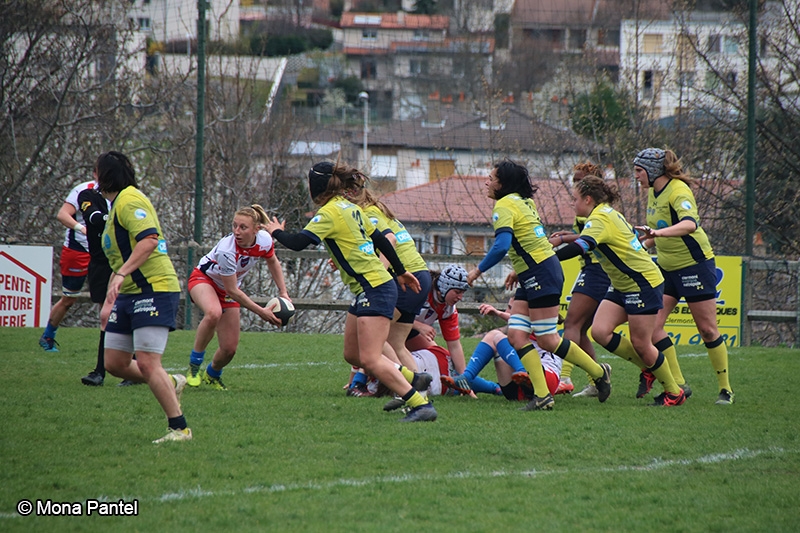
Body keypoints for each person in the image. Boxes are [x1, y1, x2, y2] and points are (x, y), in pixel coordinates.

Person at [265, 161, 436, 422]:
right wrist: (400, 271)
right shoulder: (350, 207)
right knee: (352, 354)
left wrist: (276, 231)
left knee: (370, 358)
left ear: (314, 187)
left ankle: (419, 405)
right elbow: (380, 240)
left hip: (375, 287)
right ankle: (413, 377)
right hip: (371, 287)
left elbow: (298, 243)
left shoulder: (329, 213)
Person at [466, 159, 612, 411]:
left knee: (547, 340)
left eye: (491, 178)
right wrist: (519, 270)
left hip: (541, 273)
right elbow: (532, 241)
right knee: (516, 336)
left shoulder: (504, 205)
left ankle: (599, 373)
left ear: (503, 184)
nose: (486, 182)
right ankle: (543, 396)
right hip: (534, 272)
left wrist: (477, 271)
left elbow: (501, 246)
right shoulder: (524, 201)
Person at [555, 175, 686, 406]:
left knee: (642, 344)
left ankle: (674, 392)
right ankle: (649, 368)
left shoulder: (599, 218)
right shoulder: (605, 213)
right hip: (622, 284)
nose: (572, 203)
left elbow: (582, 246)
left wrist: (548, 258)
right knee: (600, 331)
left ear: (588, 199)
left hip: (642, 283)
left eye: (575, 199)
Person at [96, 151, 191, 442]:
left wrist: (122, 274)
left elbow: (149, 240)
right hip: (129, 294)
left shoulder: (129, 199)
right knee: (115, 363)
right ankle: (169, 381)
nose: (93, 177)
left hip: (155, 289)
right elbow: (120, 261)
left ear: (105, 175)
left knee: (148, 363)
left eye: (96, 171)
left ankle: (180, 429)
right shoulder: (115, 206)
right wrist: (110, 300)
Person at [633, 148, 734, 405]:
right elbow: (657, 233)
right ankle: (679, 386)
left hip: (694, 266)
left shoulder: (678, 190)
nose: (636, 176)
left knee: (708, 330)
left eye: (639, 170)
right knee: (653, 329)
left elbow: (689, 224)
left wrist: (657, 234)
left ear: (653, 171)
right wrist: (640, 245)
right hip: (667, 269)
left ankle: (726, 390)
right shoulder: (653, 193)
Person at [186, 204, 290, 391]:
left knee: (229, 349)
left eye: (243, 227)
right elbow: (232, 290)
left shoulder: (264, 240)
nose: (237, 231)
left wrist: (283, 292)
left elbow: (273, 261)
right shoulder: (227, 250)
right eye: (234, 226)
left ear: (256, 229)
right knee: (213, 313)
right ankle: (194, 367)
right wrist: (261, 312)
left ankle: (212, 374)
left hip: (228, 289)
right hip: (204, 279)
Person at [344, 182, 432, 396]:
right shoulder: (375, 209)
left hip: (405, 278)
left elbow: (389, 240)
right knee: (395, 343)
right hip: (419, 276)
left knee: (369, 336)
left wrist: (379, 277)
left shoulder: (367, 212)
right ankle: (419, 392)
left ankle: (401, 389)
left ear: (350, 194)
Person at [549, 163, 612, 398]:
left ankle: (564, 377)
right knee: (581, 329)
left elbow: (592, 237)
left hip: (598, 270)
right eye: (574, 179)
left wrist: (562, 241)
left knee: (572, 324)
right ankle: (598, 378)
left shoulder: (602, 211)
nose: (574, 184)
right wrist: (567, 236)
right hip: (593, 268)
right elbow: (587, 234)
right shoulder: (587, 209)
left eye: (579, 180)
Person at [444, 301, 562, 401]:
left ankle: (522, 373)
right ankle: (466, 377)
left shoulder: (539, 323)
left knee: (498, 337)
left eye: (511, 308)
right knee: (493, 336)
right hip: (517, 392)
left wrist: (498, 313)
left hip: (545, 380)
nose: (507, 311)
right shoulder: (522, 328)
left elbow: (519, 322)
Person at [38, 179, 95, 351]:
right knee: (69, 298)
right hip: (77, 251)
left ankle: (117, 346)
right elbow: (62, 214)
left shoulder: (119, 190)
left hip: (104, 252)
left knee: (112, 296)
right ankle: (47, 336)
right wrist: (81, 228)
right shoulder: (83, 190)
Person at [76, 160, 113, 386]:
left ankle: (125, 369)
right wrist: (117, 218)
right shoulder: (87, 195)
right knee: (105, 315)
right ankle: (101, 371)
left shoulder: (126, 198)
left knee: (120, 313)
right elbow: (94, 218)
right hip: (101, 263)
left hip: (124, 263)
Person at [405, 265, 470, 377]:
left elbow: (454, 346)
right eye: (457, 292)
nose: (460, 297)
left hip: (410, 332)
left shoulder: (448, 309)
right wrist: (419, 326)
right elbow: (392, 316)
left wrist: (463, 378)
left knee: (442, 360)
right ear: (444, 288)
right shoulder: (420, 290)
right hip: (390, 328)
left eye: (462, 293)